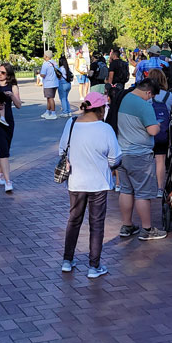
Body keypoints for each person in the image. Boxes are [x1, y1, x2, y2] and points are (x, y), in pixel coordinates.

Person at [59, 91, 122, 279]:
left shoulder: (71, 124)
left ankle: (67, 260)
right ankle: (94, 266)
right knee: (96, 224)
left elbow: (62, 150)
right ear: (101, 109)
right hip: (99, 182)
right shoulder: (105, 129)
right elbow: (115, 158)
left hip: (76, 182)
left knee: (74, 220)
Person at [115, 79, 165, 241]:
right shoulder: (144, 106)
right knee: (143, 193)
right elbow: (152, 130)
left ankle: (127, 225)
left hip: (123, 152)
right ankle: (147, 229)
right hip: (140, 155)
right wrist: (157, 125)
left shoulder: (125, 98)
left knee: (126, 190)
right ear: (148, 93)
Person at [0, 62, 22, 193]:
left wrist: (12, 95)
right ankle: (8, 181)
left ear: (8, 75)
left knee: (4, 148)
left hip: (8, 121)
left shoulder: (13, 87)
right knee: (3, 150)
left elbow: (19, 105)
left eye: (2, 72)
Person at [147, 68, 172, 197]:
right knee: (160, 159)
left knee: (146, 159)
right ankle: (160, 189)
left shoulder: (146, 94)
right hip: (162, 132)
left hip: (147, 130)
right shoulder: (168, 96)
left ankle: (145, 186)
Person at [38, 49, 60, 120]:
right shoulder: (55, 63)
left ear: (46, 56)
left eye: (44, 55)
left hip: (48, 83)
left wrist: (40, 74)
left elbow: (43, 74)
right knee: (49, 98)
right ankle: (47, 112)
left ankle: (53, 113)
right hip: (55, 83)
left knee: (50, 98)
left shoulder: (46, 64)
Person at [57, 51, 74, 117]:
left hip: (62, 84)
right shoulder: (67, 68)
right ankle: (68, 111)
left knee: (63, 98)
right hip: (68, 84)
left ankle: (65, 112)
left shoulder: (60, 69)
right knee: (66, 98)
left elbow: (58, 77)